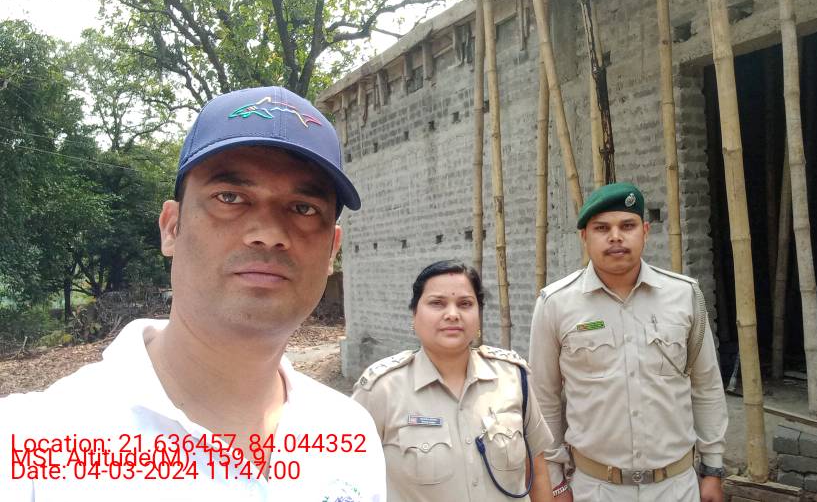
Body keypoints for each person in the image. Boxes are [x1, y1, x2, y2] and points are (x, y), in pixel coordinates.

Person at [0, 86, 385, 501]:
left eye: (303, 208)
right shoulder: (32, 446)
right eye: (230, 198)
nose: (269, 233)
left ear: (332, 250)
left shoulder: (350, 437)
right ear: (171, 227)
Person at [528, 182, 728, 502]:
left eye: (627, 226)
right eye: (602, 228)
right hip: (595, 489)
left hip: (676, 487)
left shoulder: (684, 295)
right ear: (584, 237)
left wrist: (713, 470)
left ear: (645, 231)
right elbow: (543, 399)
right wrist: (556, 483)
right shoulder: (555, 304)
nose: (616, 237)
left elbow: (706, 386)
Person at [352, 260, 555, 501]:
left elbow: (537, 471)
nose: (452, 314)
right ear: (414, 315)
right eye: (437, 303)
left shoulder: (513, 377)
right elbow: (347, 476)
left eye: (465, 304)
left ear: (478, 315)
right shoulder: (380, 389)